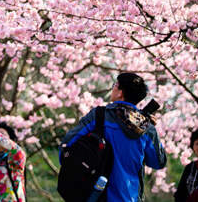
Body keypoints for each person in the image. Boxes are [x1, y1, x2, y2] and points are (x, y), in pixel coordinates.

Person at [60, 72, 167, 202]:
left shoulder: (98, 116)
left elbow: (67, 144)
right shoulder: (147, 128)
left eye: (115, 85)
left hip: (95, 195)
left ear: (121, 92)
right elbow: (158, 161)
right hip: (130, 197)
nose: (113, 88)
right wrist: (152, 130)